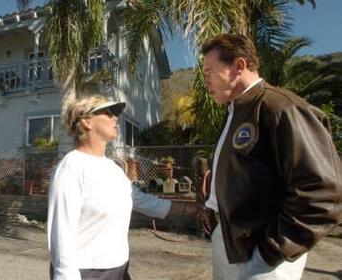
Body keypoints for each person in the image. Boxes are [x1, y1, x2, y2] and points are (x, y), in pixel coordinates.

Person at [200, 34, 342, 279]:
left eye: (209, 72)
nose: (206, 82)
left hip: (262, 256)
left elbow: (323, 194)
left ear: (239, 66)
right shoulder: (236, 111)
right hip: (230, 243)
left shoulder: (282, 108)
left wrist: (270, 251)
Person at [47, 94, 188, 280]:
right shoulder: (70, 168)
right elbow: (61, 237)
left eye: (114, 113)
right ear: (87, 121)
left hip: (119, 270)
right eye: (107, 112)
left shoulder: (113, 169)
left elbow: (142, 201)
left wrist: (191, 210)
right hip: (86, 273)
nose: (115, 117)